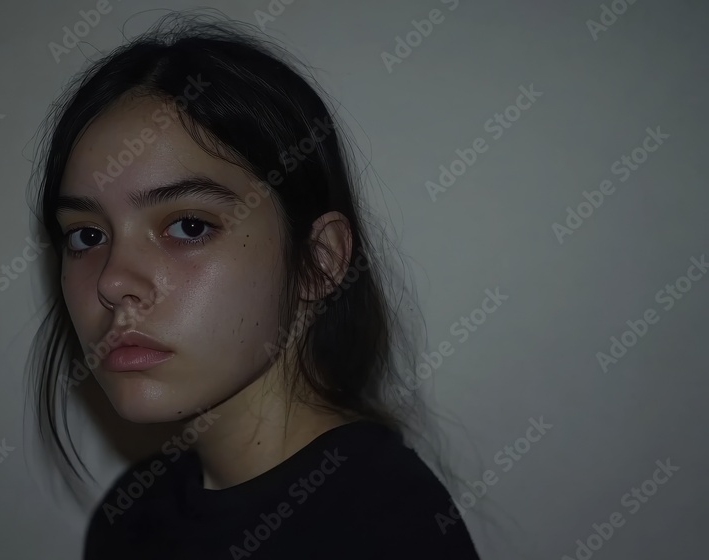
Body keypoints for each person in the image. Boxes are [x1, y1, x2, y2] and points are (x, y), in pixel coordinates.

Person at [29, 11, 482, 560]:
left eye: (188, 226)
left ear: (319, 260)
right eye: (86, 235)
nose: (112, 280)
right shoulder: (131, 518)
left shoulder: (384, 532)